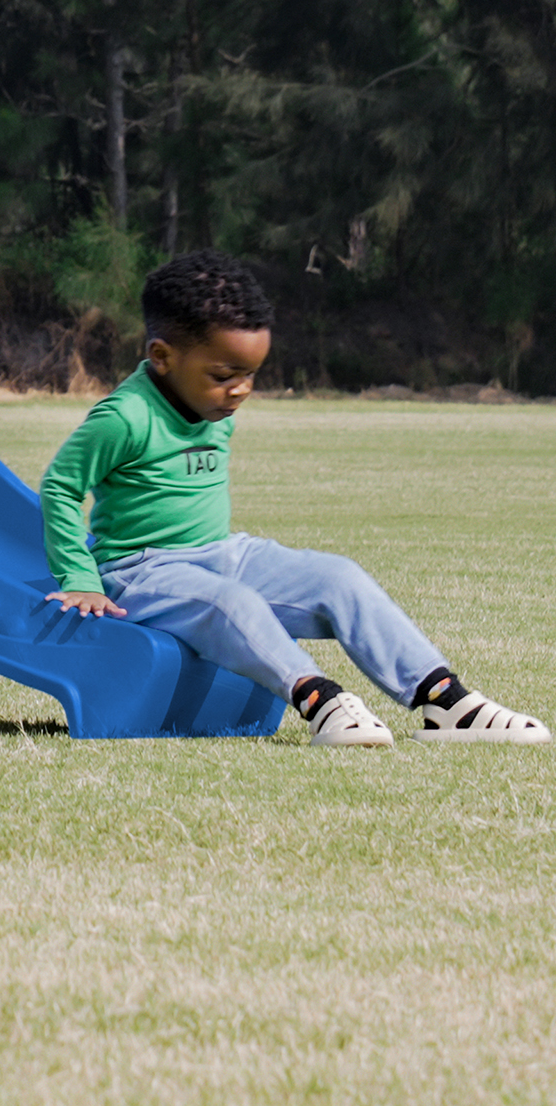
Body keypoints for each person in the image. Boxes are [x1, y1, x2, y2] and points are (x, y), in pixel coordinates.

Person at [42, 249, 546, 746]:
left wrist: (219, 386)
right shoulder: (124, 417)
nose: (240, 391)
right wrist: (83, 579)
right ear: (162, 357)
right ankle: (320, 700)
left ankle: (446, 700)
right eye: (224, 376)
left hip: (220, 554)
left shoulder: (210, 402)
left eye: (249, 375)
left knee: (339, 577)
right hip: (140, 572)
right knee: (232, 603)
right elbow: (60, 489)